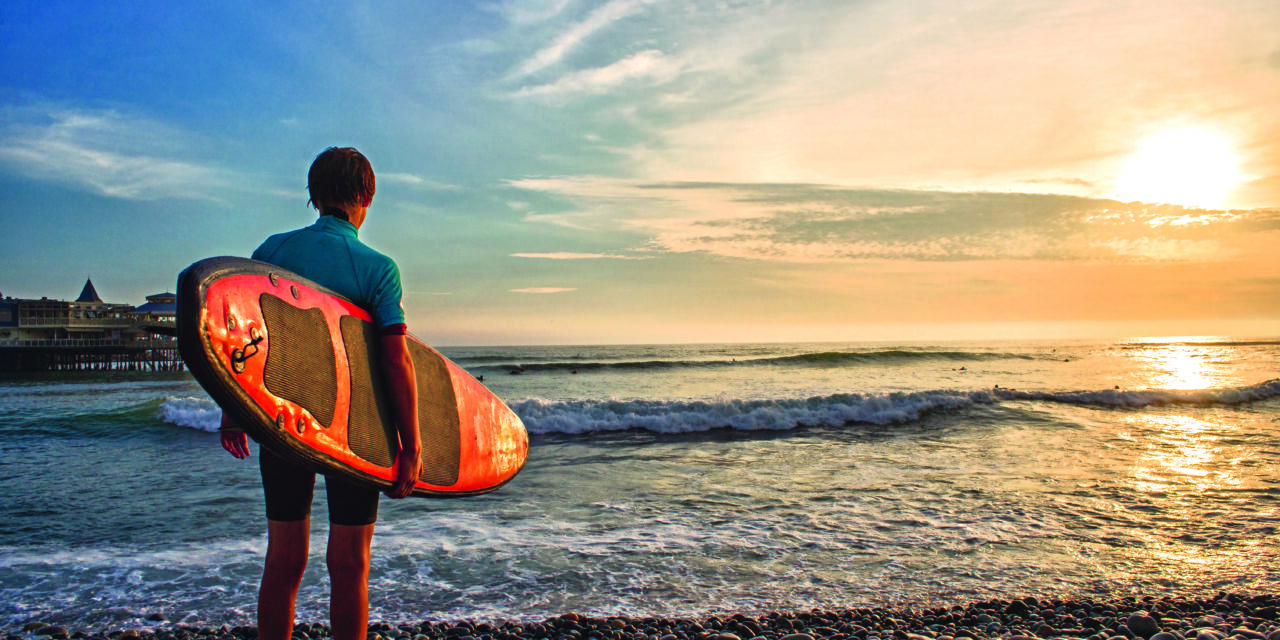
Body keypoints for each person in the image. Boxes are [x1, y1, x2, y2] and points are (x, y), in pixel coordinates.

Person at [218, 147, 422, 640]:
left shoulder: (271, 250)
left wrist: (232, 410)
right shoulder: (378, 268)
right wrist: (411, 445)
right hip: (356, 432)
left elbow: (242, 337)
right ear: (367, 195)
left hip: (283, 421)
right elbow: (396, 359)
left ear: (312, 195)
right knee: (350, 563)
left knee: (284, 558)